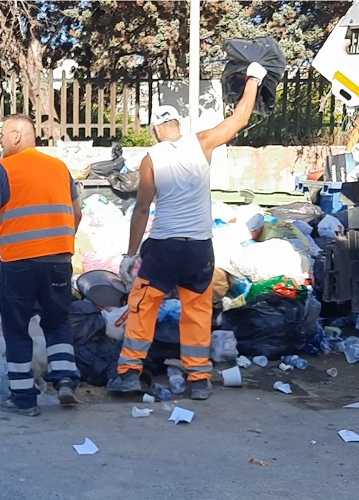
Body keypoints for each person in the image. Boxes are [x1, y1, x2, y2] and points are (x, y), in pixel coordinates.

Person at [107, 62, 268, 400]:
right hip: (199, 249)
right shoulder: (202, 143)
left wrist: (130, 254)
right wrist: (254, 78)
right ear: (177, 125)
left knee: (142, 305)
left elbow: (141, 209)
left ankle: (128, 374)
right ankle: (198, 379)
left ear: (154, 130)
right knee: (197, 309)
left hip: (164, 248)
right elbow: (239, 119)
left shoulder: (151, 158)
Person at [0, 114, 83, 417]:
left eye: (2, 136)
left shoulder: (4, 169)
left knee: (17, 330)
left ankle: (24, 399)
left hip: (19, 263)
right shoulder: (59, 168)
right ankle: (66, 381)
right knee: (57, 322)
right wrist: (59, 243)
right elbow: (76, 213)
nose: (0, 143)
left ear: (16, 136)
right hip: (58, 261)